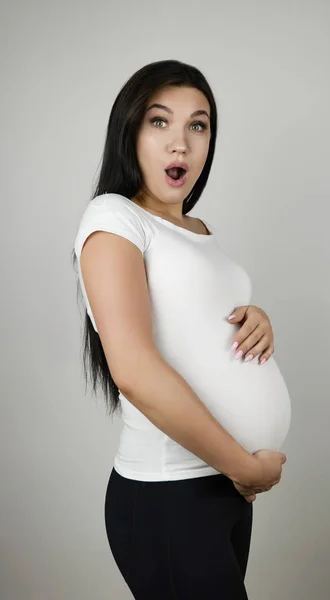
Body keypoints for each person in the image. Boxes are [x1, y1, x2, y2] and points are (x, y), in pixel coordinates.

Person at [72, 59, 291, 599]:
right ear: (129, 131)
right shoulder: (115, 218)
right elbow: (134, 370)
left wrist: (254, 315)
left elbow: (194, 317)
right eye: (160, 121)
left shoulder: (196, 228)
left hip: (219, 490)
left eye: (199, 125)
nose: (182, 143)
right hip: (171, 495)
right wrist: (245, 466)